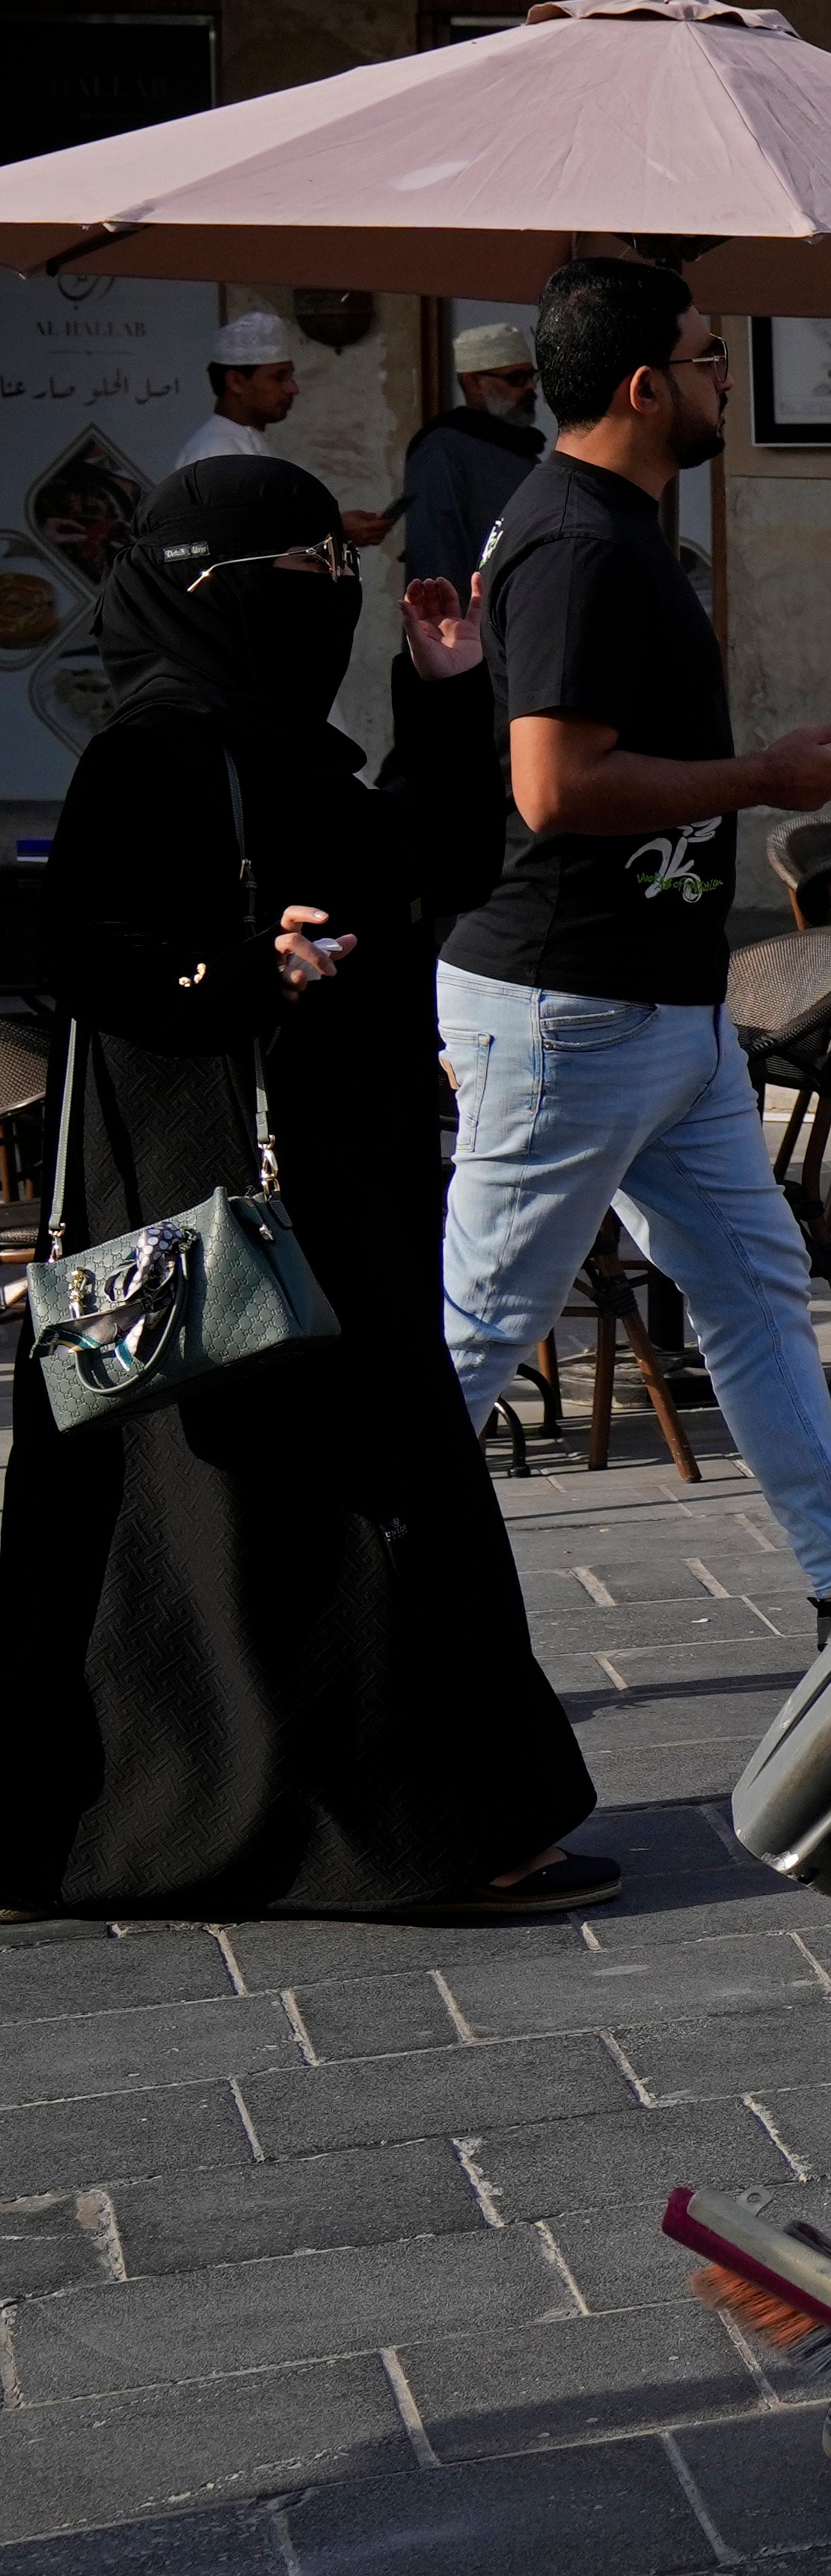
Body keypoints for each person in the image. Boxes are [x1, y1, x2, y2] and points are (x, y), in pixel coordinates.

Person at [0, 459, 602, 1923]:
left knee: (272, 1520)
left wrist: (444, 695)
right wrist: (236, 973)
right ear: (205, 589)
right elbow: (87, 953)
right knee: (307, 1508)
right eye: (303, 574)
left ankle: (305, 1824)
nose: (332, 598)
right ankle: (413, 1828)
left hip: (328, 1184)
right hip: (210, 1199)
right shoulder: (154, 747)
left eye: (344, 570)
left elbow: (430, 869)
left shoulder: (275, 747)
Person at [432, 259, 831, 1620]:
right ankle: (328, 1627)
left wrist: (766, 767)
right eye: (710, 358)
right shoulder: (578, 540)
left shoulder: (614, 524)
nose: (727, 378)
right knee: (481, 1329)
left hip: (661, 1000)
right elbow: (553, 786)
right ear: (644, 386)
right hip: (568, 1001)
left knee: (756, 1285)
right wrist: (762, 779)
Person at [388, 315, 545, 933]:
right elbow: (437, 562)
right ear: (474, 384)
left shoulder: (522, 450)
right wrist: (457, 653)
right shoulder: (444, 449)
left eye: (531, 375)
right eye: (515, 377)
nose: (529, 388)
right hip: (472, 656)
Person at [174, 313, 398, 550]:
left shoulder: (248, 441)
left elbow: (271, 529)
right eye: (279, 377)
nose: (293, 388)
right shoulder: (215, 453)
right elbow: (234, 547)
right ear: (236, 382)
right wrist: (335, 529)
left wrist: (335, 527)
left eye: (290, 376)